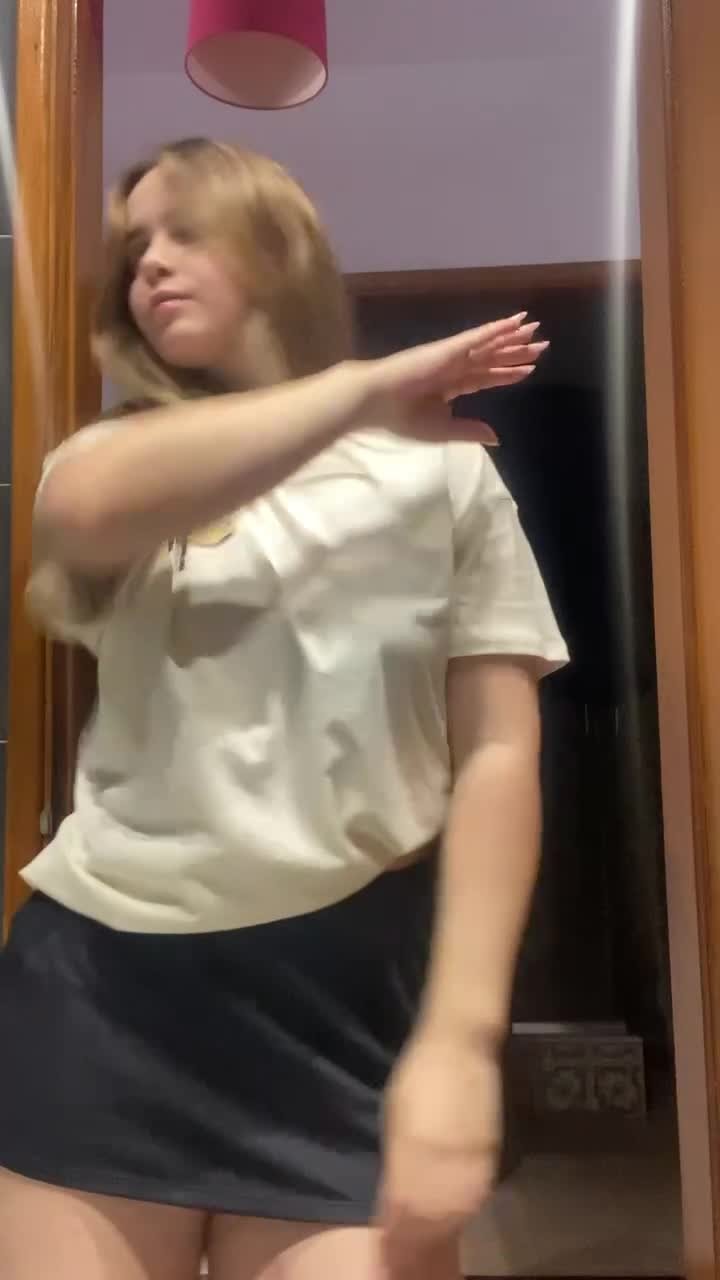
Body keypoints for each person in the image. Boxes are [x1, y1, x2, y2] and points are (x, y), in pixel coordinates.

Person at [0, 139, 567, 1280]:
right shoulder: (112, 455)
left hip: (350, 990)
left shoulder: (443, 474)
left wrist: (463, 1040)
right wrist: (364, 392)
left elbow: (499, 754)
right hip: (103, 987)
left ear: (278, 248)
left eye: (185, 231)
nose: (149, 265)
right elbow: (83, 513)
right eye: (135, 248)